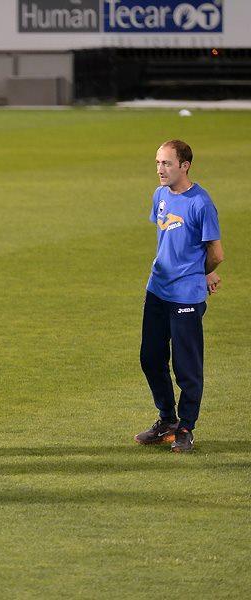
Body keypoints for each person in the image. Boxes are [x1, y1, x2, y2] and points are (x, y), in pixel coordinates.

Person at [135, 139, 223, 453]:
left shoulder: (201, 202)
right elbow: (170, 241)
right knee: (150, 358)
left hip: (185, 295)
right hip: (157, 289)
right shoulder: (160, 195)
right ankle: (167, 420)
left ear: (184, 166)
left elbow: (216, 253)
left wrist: (203, 271)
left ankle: (186, 427)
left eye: (167, 163)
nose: (160, 169)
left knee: (186, 365)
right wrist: (203, 269)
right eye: (158, 163)